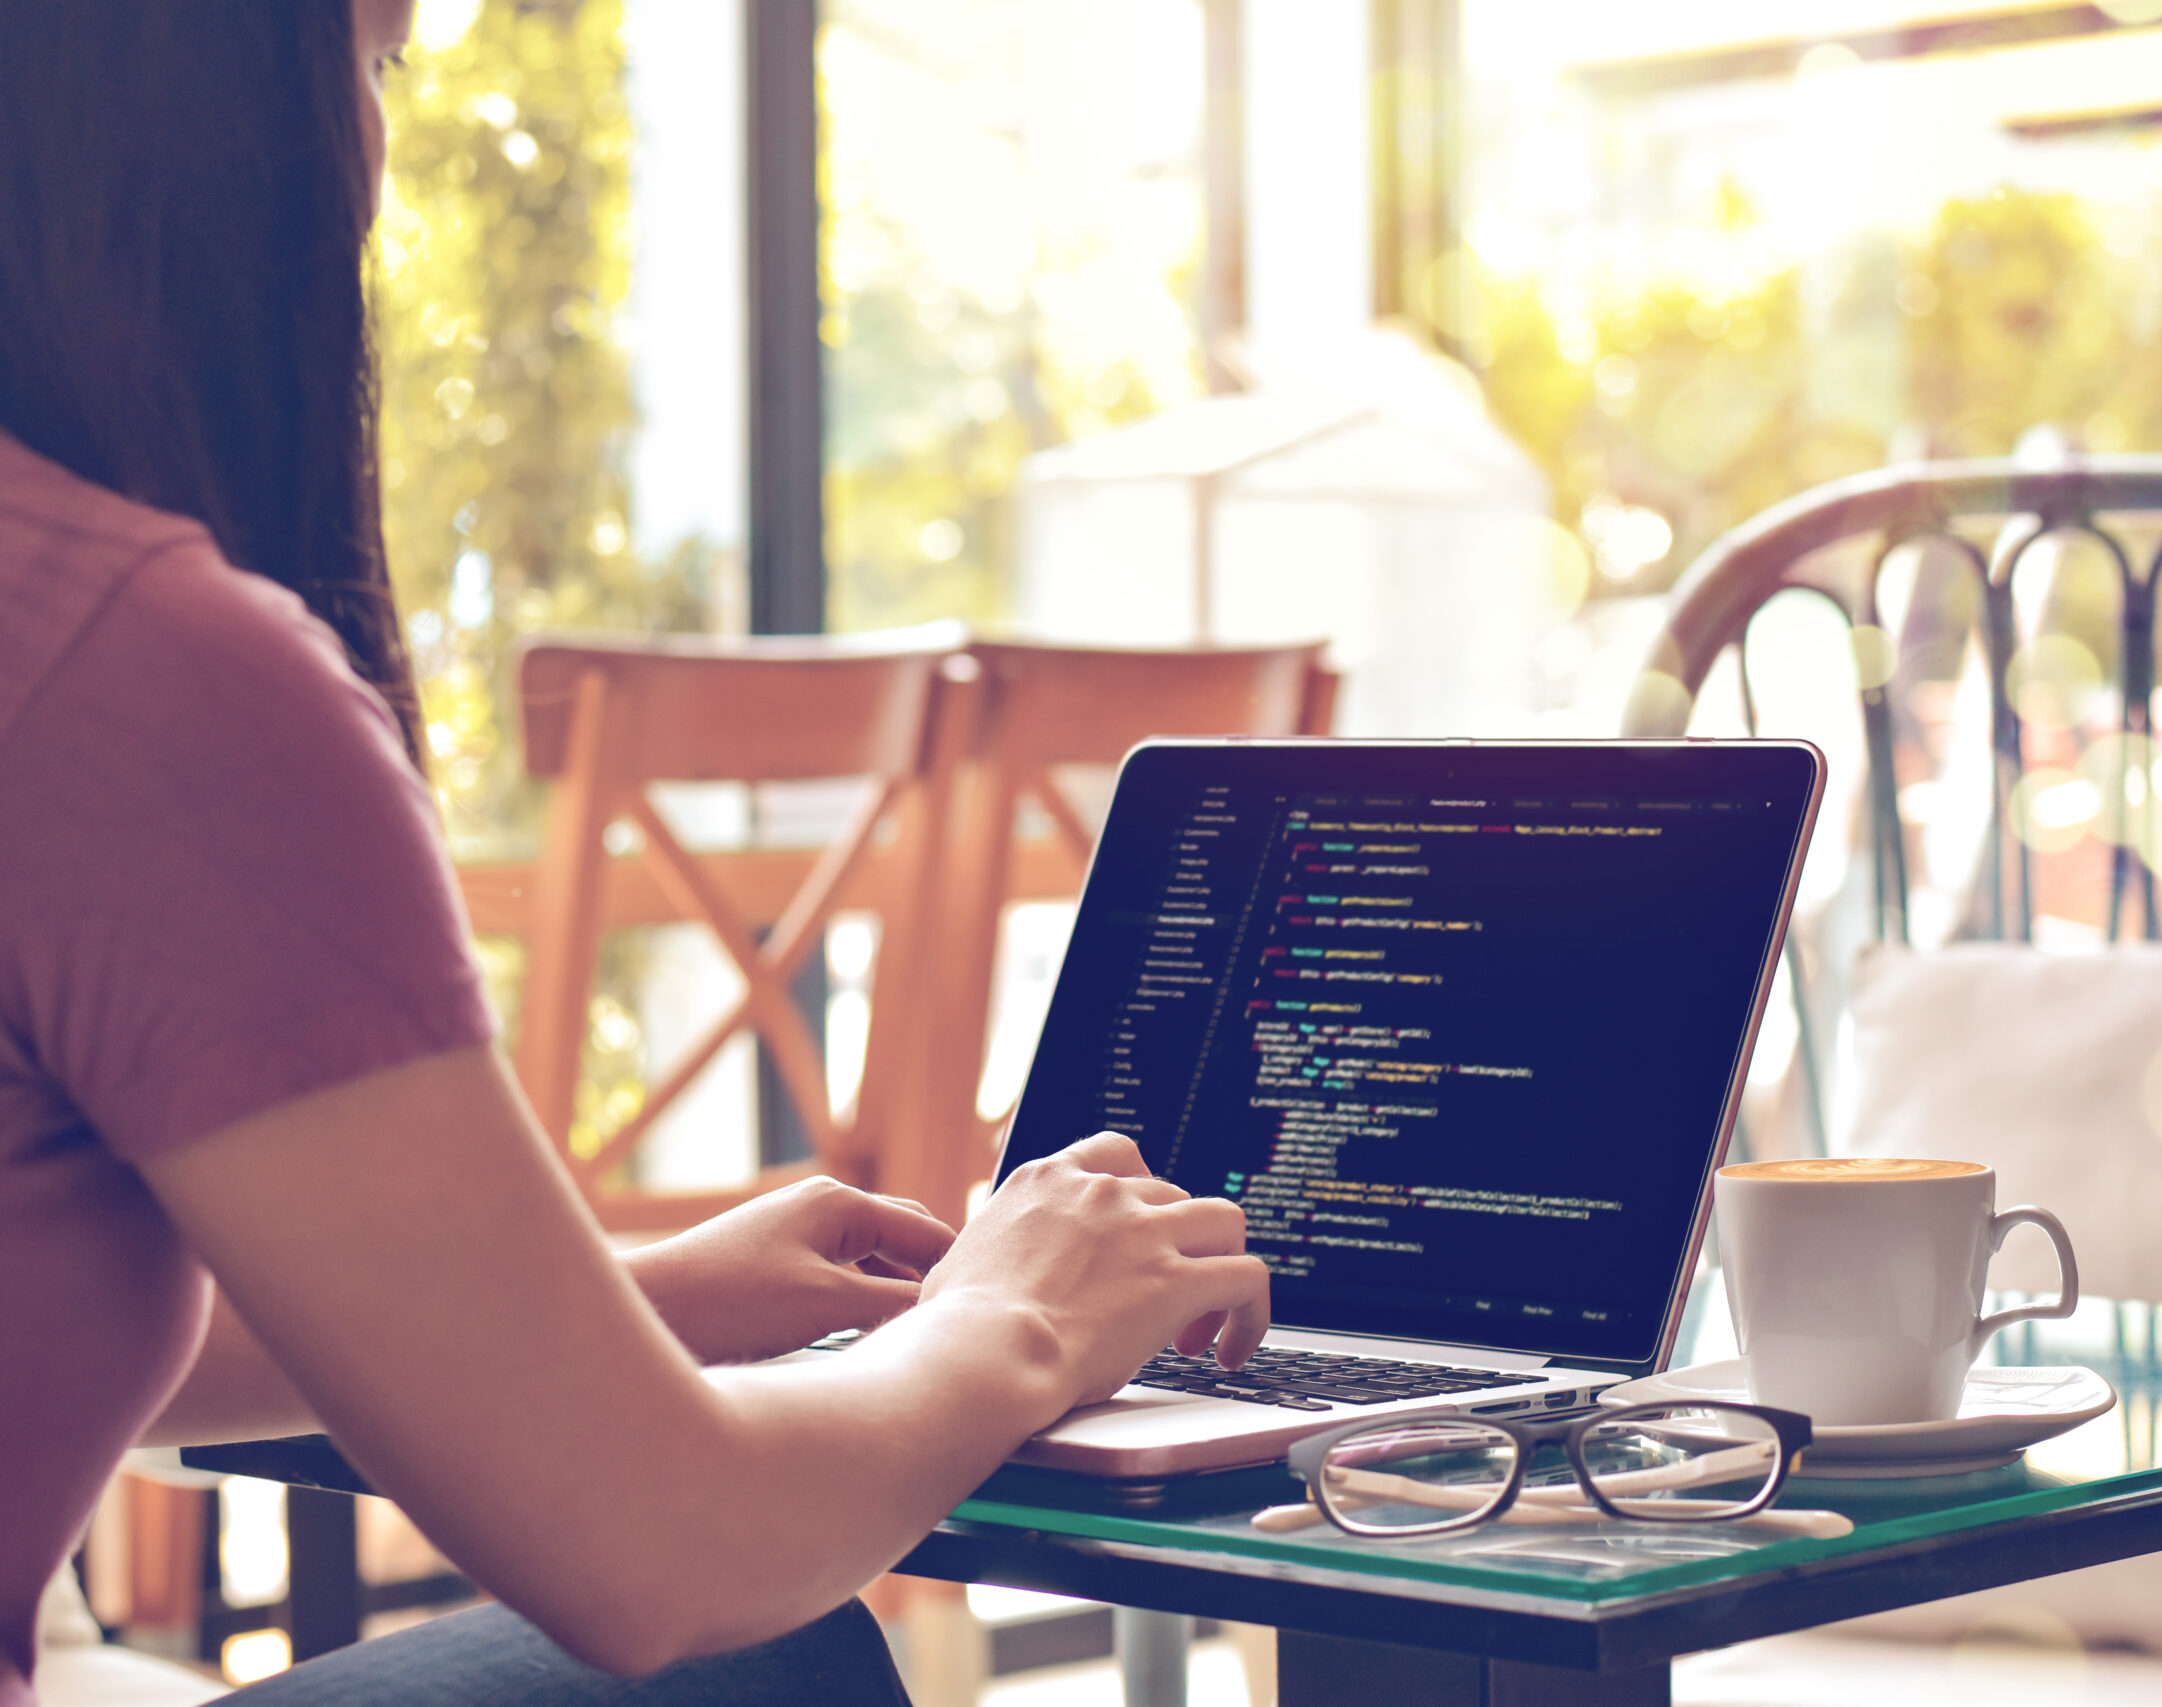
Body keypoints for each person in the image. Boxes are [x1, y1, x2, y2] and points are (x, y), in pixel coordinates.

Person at [0, 3, 1271, 1702]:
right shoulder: (133, 669)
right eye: (374, 68)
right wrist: (1014, 1319)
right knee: (773, 1658)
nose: (373, 154)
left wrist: (632, 1304)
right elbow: (663, 1556)